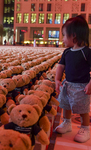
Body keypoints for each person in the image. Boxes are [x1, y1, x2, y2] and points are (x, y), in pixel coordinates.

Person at [55, 15, 91, 143]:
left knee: (83, 109)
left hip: (82, 87)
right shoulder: (67, 52)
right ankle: (66, 122)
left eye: (64, 35)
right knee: (65, 105)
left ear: (74, 35)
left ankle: (85, 128)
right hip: (68, 84)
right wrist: (57, 80)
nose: (63, 39)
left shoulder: (87, 52)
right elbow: (60, 66)